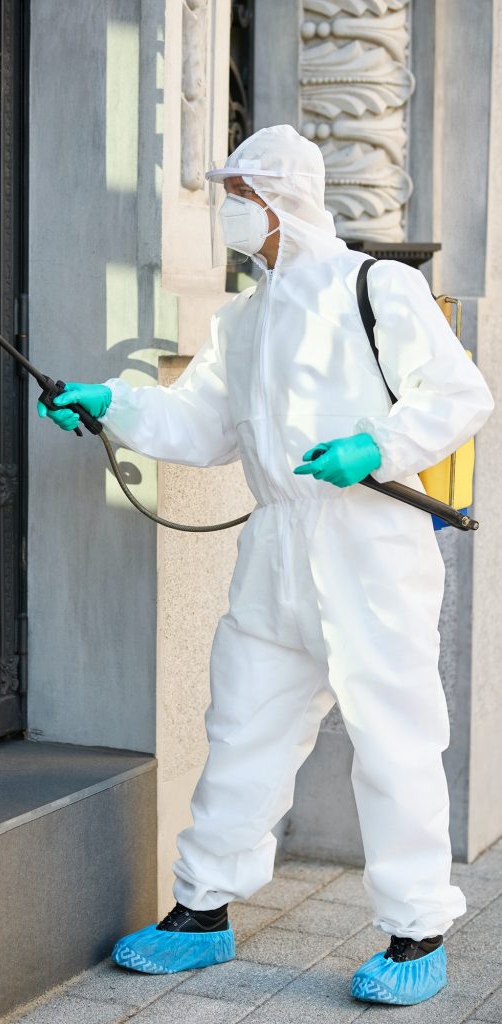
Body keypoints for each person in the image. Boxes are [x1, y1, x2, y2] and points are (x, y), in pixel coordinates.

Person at [37, 125, 494, 1006]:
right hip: (276, 545)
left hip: (367, 544)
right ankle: (202, 912)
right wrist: (114, 406)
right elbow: (202, 425)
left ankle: (416, 927)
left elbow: (461, 393)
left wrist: (376, 445)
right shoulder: (243, 318)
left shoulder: (377, 286)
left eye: (237, 197)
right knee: (242, 724)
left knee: (394, 737)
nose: (227, 214)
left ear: (279, 198)